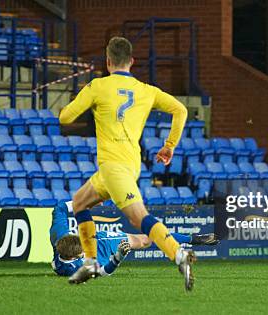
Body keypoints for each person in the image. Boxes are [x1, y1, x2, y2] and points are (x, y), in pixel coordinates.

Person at [58, 36, 196, 290]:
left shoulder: (97, 86)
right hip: (127, 166)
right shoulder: (147, 90)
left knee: (138, 218)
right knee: (79, 202)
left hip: (114, 167)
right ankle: (90, 263)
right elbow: (181, 110)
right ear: (132, 61)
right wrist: (169, 146)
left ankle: (179, 254)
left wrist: (89, 103)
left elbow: (65, 117)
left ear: (108, 61)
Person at [49, 202, 219, 277]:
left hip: (101, 239)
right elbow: (104, 272)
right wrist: (118, 257)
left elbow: (59, 208)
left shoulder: (59, 235)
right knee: (147, 239)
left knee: (147, 239)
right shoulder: (78, 268)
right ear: (75, 257)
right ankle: (193, 238)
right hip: (104, 250)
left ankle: (193, 239)